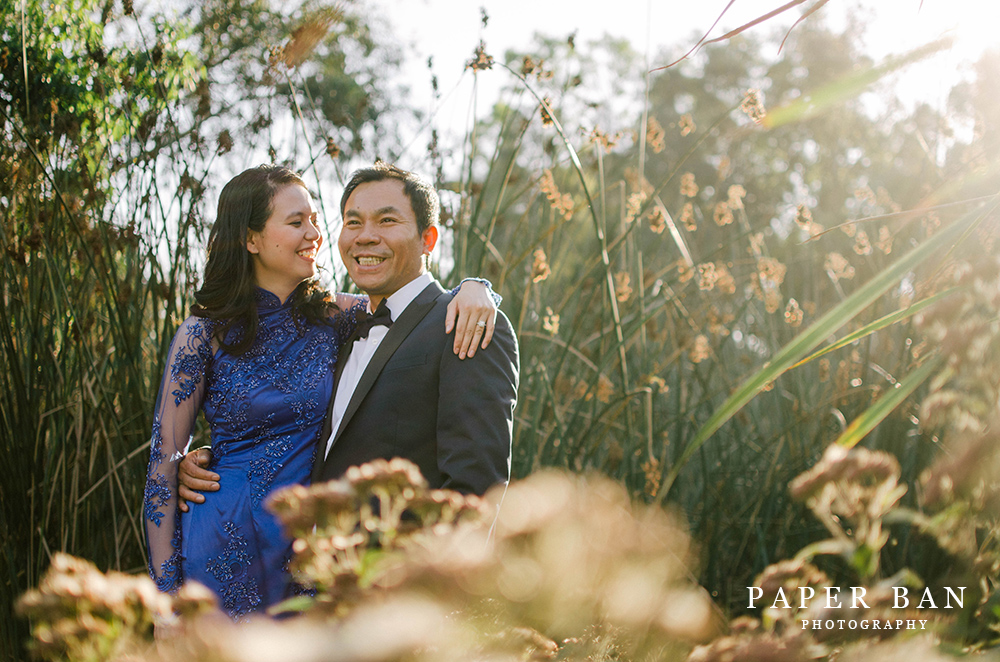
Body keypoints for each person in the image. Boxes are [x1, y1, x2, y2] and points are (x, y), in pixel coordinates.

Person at [143, 164, 499, 620]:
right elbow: (164, 462)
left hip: (308, 552)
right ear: (251, 238)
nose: (314, 233)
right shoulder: (203, 333)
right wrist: (166, 601)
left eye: (314, 219)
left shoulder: (335, 317)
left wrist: (476, 288)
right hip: (220, 542)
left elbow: (416, 305)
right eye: (296, 223)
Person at [179, 164, 519, 507]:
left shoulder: (465, 325)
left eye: (387, 220)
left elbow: (476, 494)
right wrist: (223, 455)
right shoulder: (331, 329)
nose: (365, 236)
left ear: (427, 239)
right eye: (353, 222)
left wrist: (478, 287)